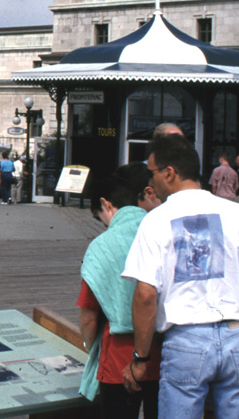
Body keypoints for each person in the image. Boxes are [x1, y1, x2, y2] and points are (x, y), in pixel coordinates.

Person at [121, 125, 239, 418]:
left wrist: (141, 357)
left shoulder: (155, 220)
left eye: (152, 173)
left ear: (169, 173)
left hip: (187, 342)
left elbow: (146, 295)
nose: (151, 181)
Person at [76, 163, 161, 419]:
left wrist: (91, 347)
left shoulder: (101, 247)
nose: (102, 223)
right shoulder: (161, 232)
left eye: (98, 215)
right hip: (164, 358)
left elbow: (89, 316)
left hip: (116, 361)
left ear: (107, 203)